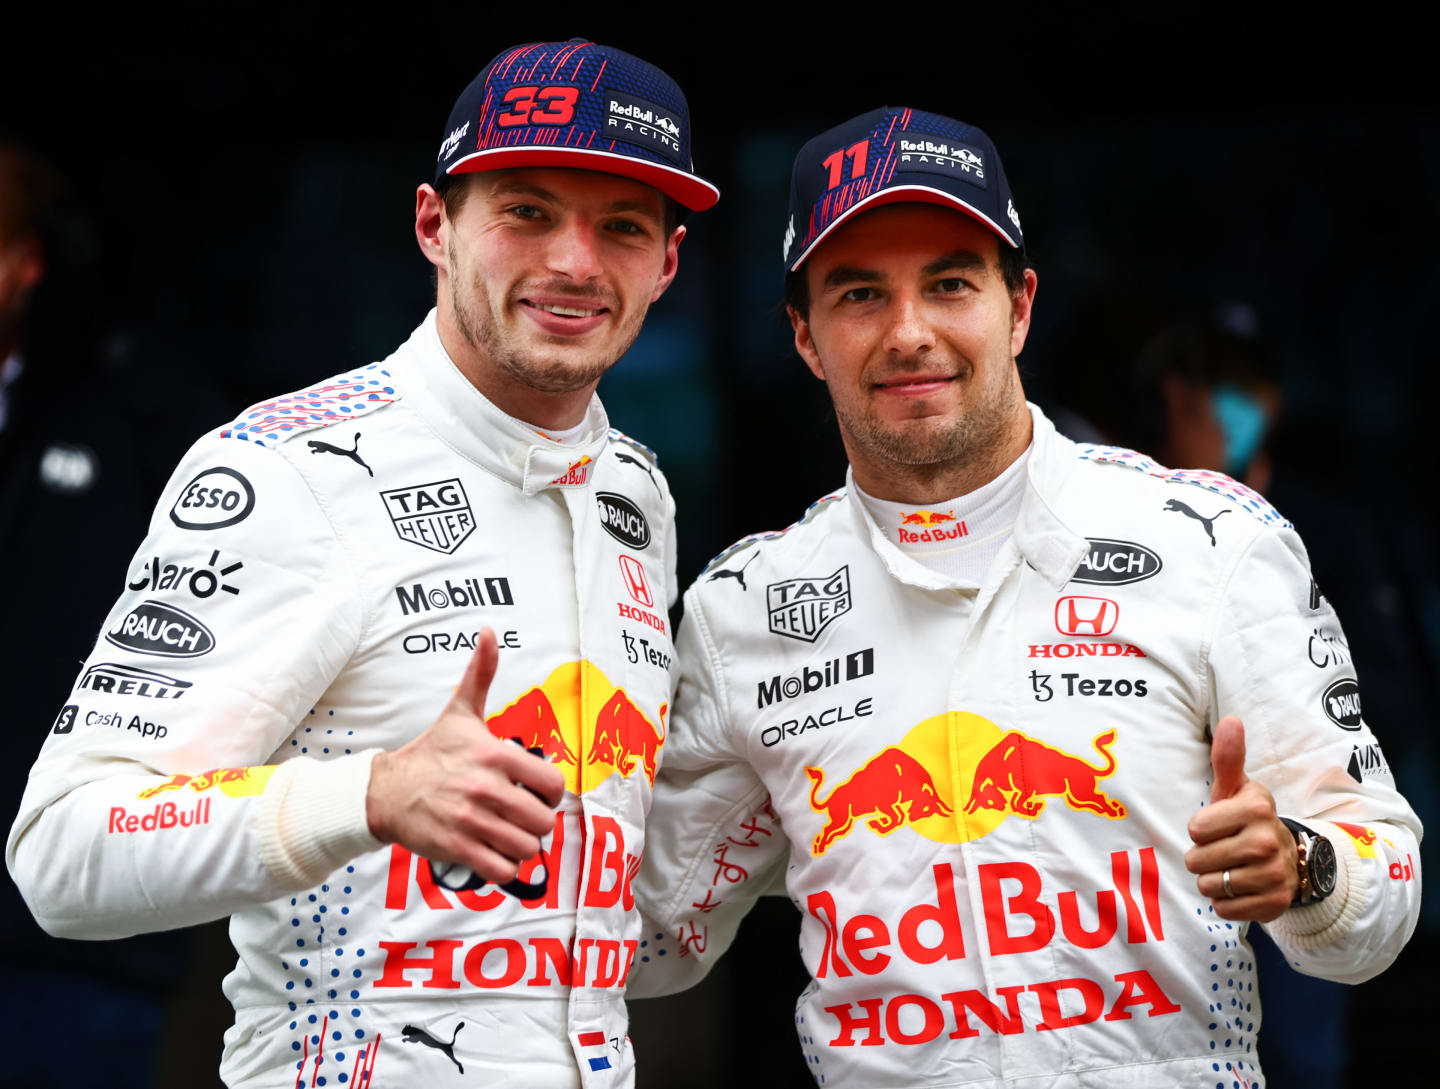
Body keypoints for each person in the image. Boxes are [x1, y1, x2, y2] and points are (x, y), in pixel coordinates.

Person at [630, 107, 1422, 1087]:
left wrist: (1303, 866)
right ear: (804, 335)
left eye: (951, 283)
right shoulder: (744, 611)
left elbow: (1380, 899)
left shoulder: (1212, 543)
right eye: (861, 293)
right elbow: (649, 939)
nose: (909, 331)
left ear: (1019, 306)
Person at [7, 39, 716, 1089]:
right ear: (435, 224)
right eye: (525, 211)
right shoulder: (282, 469)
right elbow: (62, 856)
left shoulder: (634, 492)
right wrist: (372, 795)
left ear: (665, 264)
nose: (574, 262)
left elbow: (614, 931)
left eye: (619, 227)